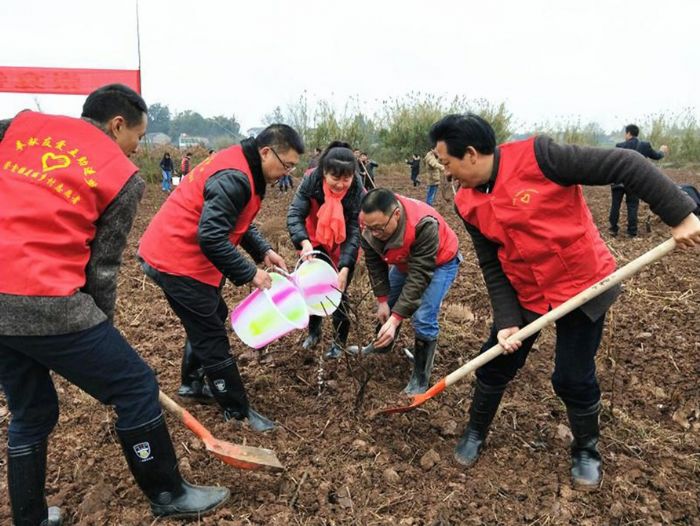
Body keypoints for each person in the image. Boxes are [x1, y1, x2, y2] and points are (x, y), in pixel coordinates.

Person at [429, 113, 700, 490]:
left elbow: (626, 163)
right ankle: (475, 432)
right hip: (525, 290)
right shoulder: (466, 202)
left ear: (471, 154)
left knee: (572, 376)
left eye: (447, 163)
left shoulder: (541, 157)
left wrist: (680, 214)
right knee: (493, 367)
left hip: (581, 283)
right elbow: (492, 262)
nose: (447, 173)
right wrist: (507, 319)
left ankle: (586, 450)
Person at [0, 84, 229, 524]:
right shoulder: (122, 175)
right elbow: (101, 266)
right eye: (138, 138)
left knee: (31, 410)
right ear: (117, 125)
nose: (136, 147)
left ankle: (29, 518)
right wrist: (100, 325)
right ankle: (168, 493)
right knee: (136, 387)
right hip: (47, 298)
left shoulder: (20, 128)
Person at [138, 124, 304, 433]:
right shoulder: (236, 176)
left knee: (213, 313)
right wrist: (251, 273)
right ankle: (237, 411)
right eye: (287, 165)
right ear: (266, 152)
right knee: (210, 334)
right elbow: (212, 237)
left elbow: (236, 219)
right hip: (176, 259)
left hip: (178, 253)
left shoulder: (243, 166)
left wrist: (263, 251)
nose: (288, 172)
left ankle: (191, 384)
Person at [360, 188, 461, 394]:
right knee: (389, 303)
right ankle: (381, 346)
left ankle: (420, 377)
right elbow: (374, 262)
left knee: (423, 317)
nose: (374, 233)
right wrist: (382, 300)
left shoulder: (424, 224)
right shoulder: (368, 223)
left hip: (439, 262)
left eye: (379, 228)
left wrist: (396, 318)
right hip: (404, 261)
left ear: (396, 214)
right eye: (370, 228)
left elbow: (419, 275)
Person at [287, 142, 365, 358]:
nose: (341, 184)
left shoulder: (357, 191)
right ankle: (314, 332)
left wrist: (346, 266)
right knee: (311, 289)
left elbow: (354, 231)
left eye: (346, 178)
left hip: (343, 244)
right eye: (335, 178)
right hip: (313, 240)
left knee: (338, 294)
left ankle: (339, 342)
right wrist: (303, 242)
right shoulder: (310, 181)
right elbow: (295, 213)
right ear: (324, 172)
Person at [610, 124, 669, 237]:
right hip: (634, 182)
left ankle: (613, 229)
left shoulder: (619, 146)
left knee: (615, 205)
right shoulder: (645, 146)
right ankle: (632, 231)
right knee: (632, 205)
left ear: (628, 133)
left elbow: (614, 164)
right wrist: (662, 151)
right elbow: (656, 156)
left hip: (618, 181)